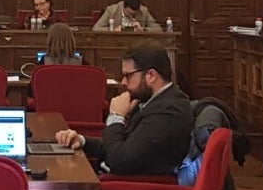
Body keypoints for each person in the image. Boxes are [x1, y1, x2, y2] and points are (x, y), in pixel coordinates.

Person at [56, 43, 193, 176]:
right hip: (112, 180)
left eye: (128, 76)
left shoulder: (168, 113)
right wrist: (82, 141)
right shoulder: (150, 102)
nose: (123, 82)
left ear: (151, 75)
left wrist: (116, 116)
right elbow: (118, 146)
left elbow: (120, 161)